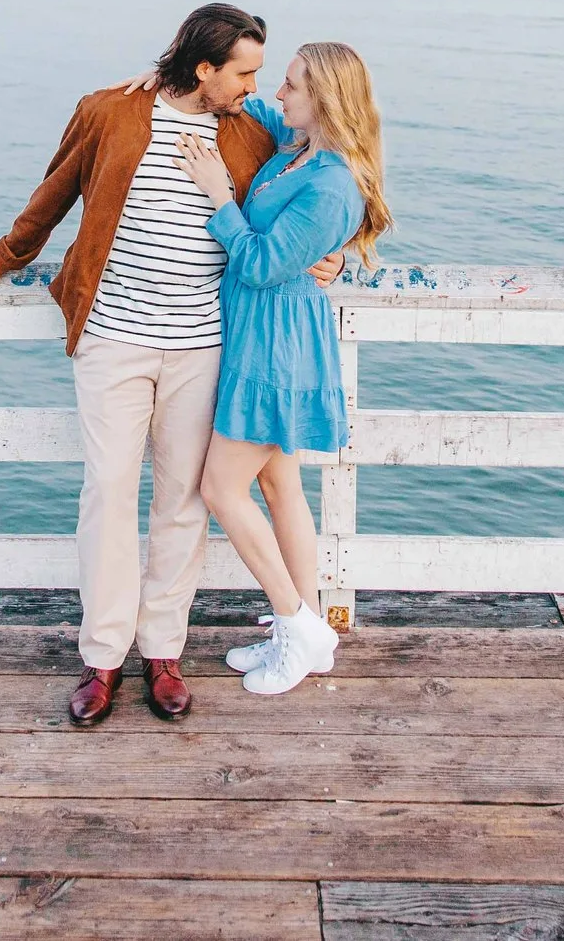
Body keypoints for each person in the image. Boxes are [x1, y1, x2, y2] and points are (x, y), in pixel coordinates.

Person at [0, 4, 340, 728]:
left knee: (183, 502)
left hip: (204, 343)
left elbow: (326, 176)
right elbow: (53, 195)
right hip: (112, 338)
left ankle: (162, 653)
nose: (255, 87)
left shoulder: (251, 130)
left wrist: (339, 253)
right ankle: (101, 658)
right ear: (204, 67)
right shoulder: (108, 112)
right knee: (108, 493)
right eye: (244, 72)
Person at [175, 41, 390, 696]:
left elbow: (263, 264)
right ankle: (308, 627)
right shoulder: (299, 148)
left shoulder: (331, 182)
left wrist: (220, 198)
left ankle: (298, 628)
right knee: (280, 486)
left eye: (291, 84)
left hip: (278, 347)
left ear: (322, 98)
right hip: (260, 336)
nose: (276, 93)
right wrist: (166, 77)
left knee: (220, 489)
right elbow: (242, 102)